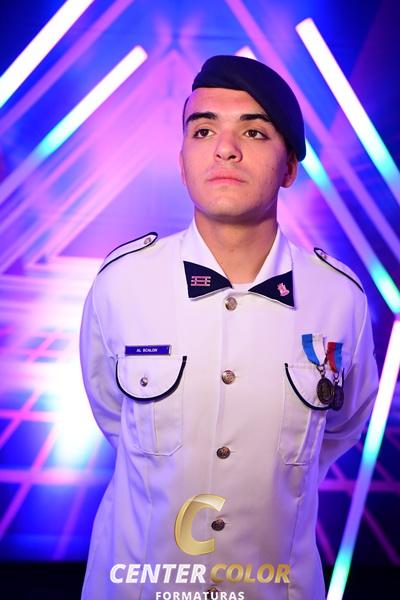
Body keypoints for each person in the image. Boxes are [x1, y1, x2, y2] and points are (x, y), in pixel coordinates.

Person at [79, 55, 378, 600]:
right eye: (203, 130)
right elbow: (113, 417)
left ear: (289, 167)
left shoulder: (340, 300)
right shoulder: (121, 282)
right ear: (182, 160)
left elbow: (339, 431)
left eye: (254, 132)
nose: (225, 149)